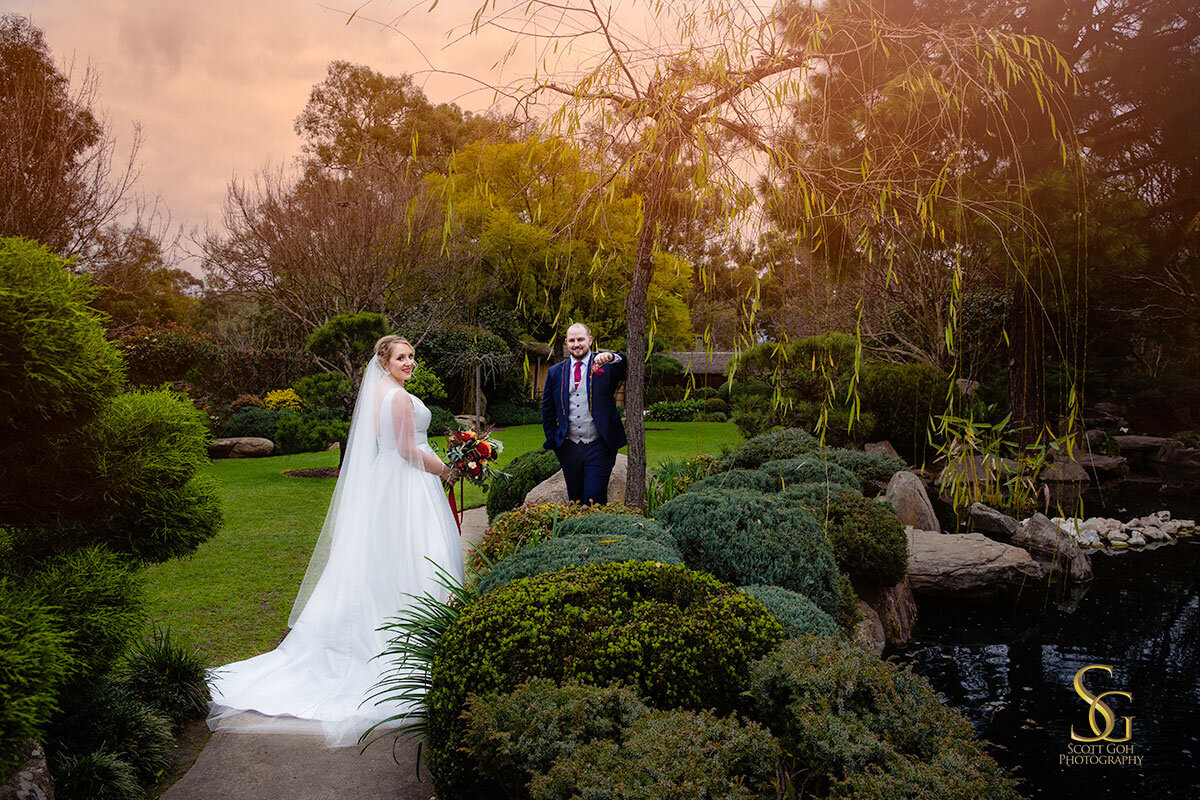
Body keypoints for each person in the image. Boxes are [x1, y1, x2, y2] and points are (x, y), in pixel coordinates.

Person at [206, 335, 463, 746]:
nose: (409, 362)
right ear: (385, 361)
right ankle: (411, 642)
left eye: (412, 356)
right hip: (408, 484)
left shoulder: (381, 392)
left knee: (388, 558)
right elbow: (406, 450)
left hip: (391, 483)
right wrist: (449, 470)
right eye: (401, 357)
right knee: (418, 554)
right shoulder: (397, 397)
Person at [541, 322, 626, 505]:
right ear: (566, 342)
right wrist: (555, 441)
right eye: (572, 340)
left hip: (599, 444)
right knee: (575, 498)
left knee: (594, 496)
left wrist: (612, 356)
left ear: (590, 340)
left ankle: (595, 522)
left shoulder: (605, 365)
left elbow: (624, 366)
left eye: (580, 339)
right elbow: (547, 409)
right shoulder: (555, 372)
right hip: (569, 446)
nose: (576, 344)